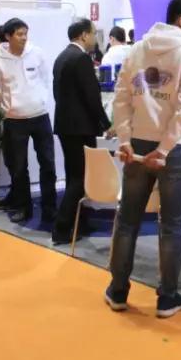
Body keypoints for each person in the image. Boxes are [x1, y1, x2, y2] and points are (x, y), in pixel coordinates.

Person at [105, 0, 181, 318]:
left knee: (127, 220)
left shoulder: (137, 50)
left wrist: (125, 140)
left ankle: (117, 291)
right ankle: (167, 298)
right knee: (172, 224)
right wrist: (164, 149)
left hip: (137, 145)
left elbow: (122, 98)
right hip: (174, 150)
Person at [0, 18, 56, 225]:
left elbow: (45, 79)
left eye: (25, 33)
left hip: (40, 116)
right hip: (15, 120)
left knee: (48, 163)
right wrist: (9, 107)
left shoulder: (37, 53)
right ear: (8, 36)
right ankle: (23, 207)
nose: (23, 38)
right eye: (19, 34)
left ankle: (50, 207)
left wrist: (41, 100)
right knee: (18, 167)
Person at [51, 18, 110, 246]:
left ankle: (78, 222)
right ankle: (62, 229)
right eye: (93, 33)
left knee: (74, 176)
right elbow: (91, 97)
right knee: (79, 178)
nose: (95, 38)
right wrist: (106, 124)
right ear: (84, 35)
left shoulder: (62, 56)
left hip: (66, 126)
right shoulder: (81, 58)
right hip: (81, 128)